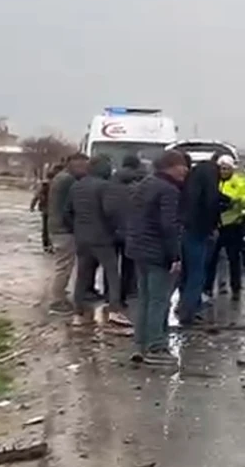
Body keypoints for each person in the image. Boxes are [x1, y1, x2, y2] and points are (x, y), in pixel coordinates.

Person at [126, 149, 189, 365]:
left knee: (145, 298)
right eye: (182, 165)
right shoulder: (169, 190)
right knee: (159, 300)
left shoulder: (145, 184)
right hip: (158, 251)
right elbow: (168, 226)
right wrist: (175, 256)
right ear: (170, 167)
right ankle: (156, 346)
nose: (186, 170)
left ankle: (141, 342)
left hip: (139, 249)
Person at [64, 156, 133, 331]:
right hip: (102, 238)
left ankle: (78, 312)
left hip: (82, 237)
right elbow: (111, 212)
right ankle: (115, 310)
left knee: (83, 274)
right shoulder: (105, 186)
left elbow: (67, 212)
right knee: (112, 273)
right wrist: (115, 230)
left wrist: (76, 228)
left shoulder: (76, 186)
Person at [178, 154, 223, 324]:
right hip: (199, 231)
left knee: (188, 272)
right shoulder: (209, 180)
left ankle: (188, 306)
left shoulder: (191, 184)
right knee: (197, 273)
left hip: (186, 229)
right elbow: (211, 203)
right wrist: (213, 226)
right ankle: (189, 312)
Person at [205, 155, 245, 301]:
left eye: (226, 168)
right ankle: (207, 288)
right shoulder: (214, 181)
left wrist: (234, 202)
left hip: (233, 223)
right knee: (212, 259)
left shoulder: (239, 182)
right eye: (221, 168)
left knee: (234, 258)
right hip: (216, 223)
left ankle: (236, 288)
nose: (224, 171)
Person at [45, 153, 88, 313]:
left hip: (56, 227)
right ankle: (57, 301)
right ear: (70, 164)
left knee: (63, 265)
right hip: (63, 229)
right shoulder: (67, 180)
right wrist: (74, 227)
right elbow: (69, 208)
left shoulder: (61, 177)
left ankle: (60, 294)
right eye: (80, 166)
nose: (84, 170)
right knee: (64, 266)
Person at [103, 153, 145, 308]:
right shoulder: (140, 185)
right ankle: (126, 294)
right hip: (131, 231)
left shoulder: (109, 183)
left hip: (111, 230)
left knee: (111, 265)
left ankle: (110, 294)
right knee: (129, 265)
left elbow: (106, 208)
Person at [30, 163, 62, 254]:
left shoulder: (46, 184)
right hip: (52, 210)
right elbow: (38, 195)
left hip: (47, 210)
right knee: (51, 229)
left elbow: (37, 195)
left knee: (46, 229)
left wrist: (32, 206)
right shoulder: (53, 184)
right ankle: (50, 246)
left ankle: (47, 246)